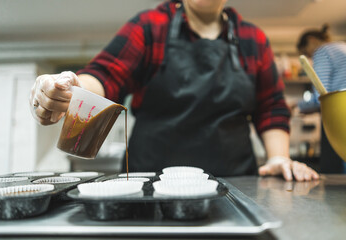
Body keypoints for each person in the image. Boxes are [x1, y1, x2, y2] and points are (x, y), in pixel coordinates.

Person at [30, 0, 319, 181]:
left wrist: (278, 156)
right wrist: (71, 89)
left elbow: (271, 108)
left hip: (234, 186)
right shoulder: (150, 26)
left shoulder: (252, 38)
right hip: (149, 185)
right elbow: (106, 76)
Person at [297, 24, 346, 174]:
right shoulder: (341, 46)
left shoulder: (322, 51)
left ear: (312, 40)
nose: (311, 57)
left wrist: (298, 106)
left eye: (307, 53)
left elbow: (321, 95)